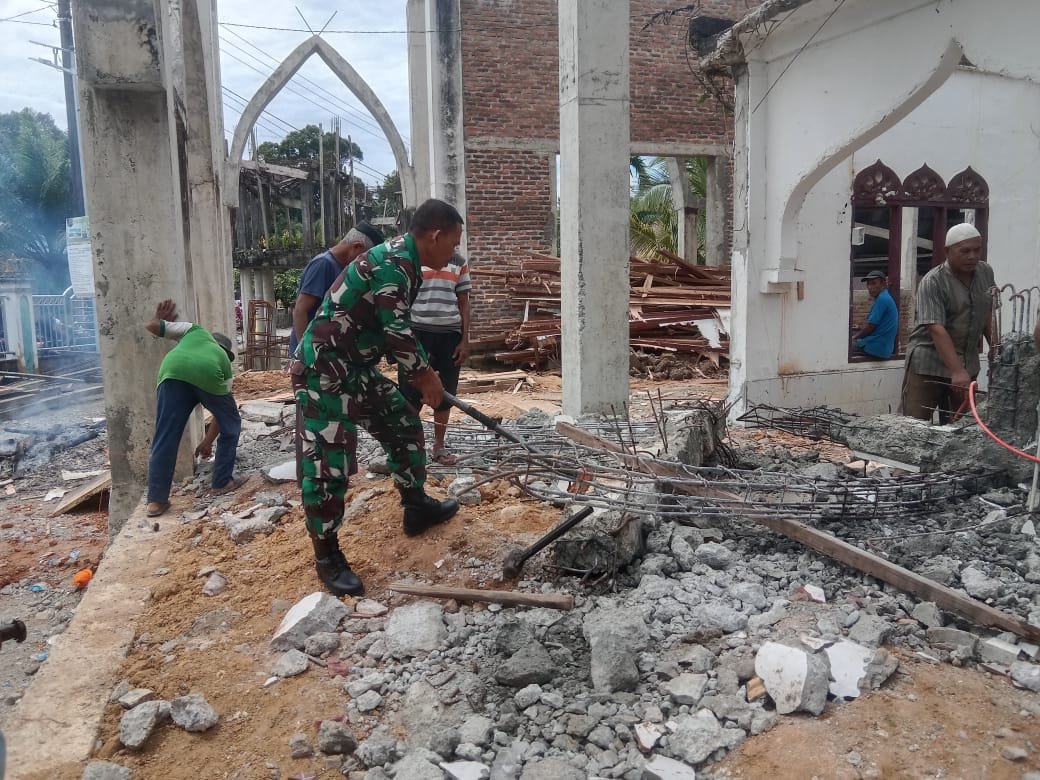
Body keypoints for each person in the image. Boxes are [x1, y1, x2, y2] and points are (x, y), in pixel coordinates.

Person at [292, 199, 464, 596]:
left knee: (403, 423)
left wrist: (421, 371)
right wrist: (425, 376)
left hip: (356, 369)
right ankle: (327, 555)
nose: (454, 252)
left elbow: (391, 329)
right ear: (435, 236)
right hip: (323, 372)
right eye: (453, 242)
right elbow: (397, 330)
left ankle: (416, 505)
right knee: (328, 465)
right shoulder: (393, 264)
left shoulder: (407, 262)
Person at [144, 299, 242, 517]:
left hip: (172, 370)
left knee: (165, 436)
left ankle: (156, 502)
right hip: (208, 374)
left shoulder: (193, 330)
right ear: (225, 351)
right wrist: (209, 441)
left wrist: (160, 319)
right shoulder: (223, 363)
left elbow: (151, 326)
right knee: (232, 424)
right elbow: (223, 418)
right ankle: (222, 481)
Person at [901, 223, 997, 423]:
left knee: (960, 426)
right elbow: (936, 328)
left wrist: (995, 347)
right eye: (965, 251)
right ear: (948, 251)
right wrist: (956, 371)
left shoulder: (985, 272)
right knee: (913, 425)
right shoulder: (933, 281)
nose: (972, 256)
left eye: (977, 250)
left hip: (966, 362)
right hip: (928, 365)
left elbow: (987, 311)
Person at [397, 252, 472, 465]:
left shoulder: (459, 262)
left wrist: (464, 340)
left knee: (445, 393)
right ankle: (408, 447)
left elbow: (464, 302)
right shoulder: (414, 259)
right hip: (417, 334)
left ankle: (439, 445)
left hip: (449, 336)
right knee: (409, 392)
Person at [289, 221, 386, 353]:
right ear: (357, 247)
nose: (367, 265)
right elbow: (300, 310)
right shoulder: (323, 265)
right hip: (312, 355)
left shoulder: (345, 268)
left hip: (327, 353)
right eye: (366, 259)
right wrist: (303, 354)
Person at [851, 269, 898, 359]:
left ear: (883, 284)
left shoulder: (882, 299)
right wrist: (860, 328)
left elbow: (870, 326)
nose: (869, 287)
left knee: (843, 348)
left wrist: (854, 337)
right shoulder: (884, 297)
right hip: (881, 347)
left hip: (875, 347)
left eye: (873, 283)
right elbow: (876, 325)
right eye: (868, 284)